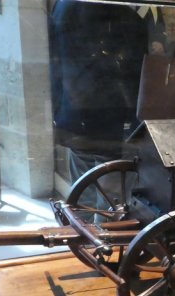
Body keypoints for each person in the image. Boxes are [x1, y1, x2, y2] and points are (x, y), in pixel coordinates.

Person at [48, 0, 148, 184]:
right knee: (110, 191)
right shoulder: (126, 17)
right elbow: (134, 73)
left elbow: (54, 64)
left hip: (75, 113)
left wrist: (57, 109)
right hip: (110, 116)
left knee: (82, 184)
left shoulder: (63, 6)